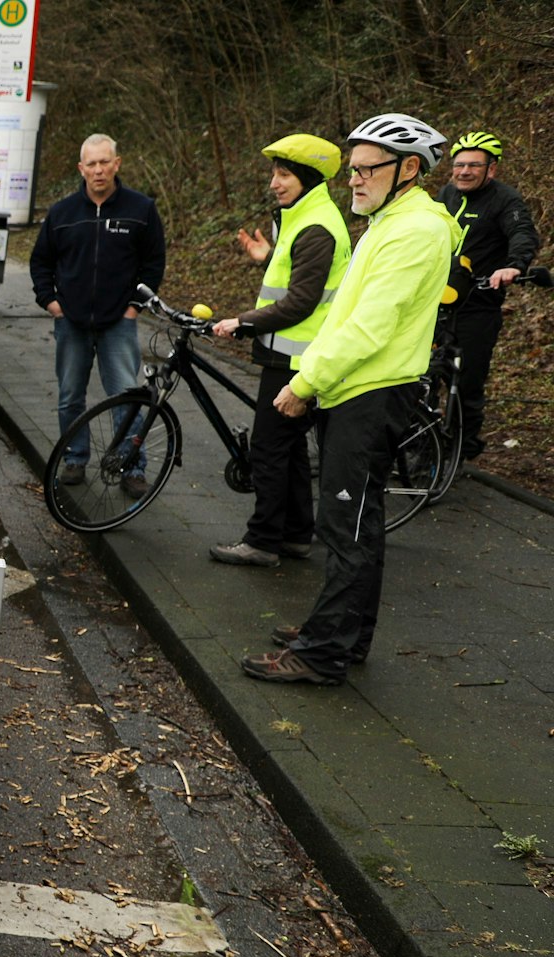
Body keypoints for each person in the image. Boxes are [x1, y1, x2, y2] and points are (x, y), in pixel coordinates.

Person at [242, 113, 455, 686]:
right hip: (359, 387)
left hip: (371, 391)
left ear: (408, 169)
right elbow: (348, 312)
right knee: (359, 520)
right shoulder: (389, 222)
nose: (354, 179)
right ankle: (344, 633)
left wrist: (303, 383)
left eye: (366, 169)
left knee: (345, 526)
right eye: (353, 169)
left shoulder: (414, 231)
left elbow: (368, 326)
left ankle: (322, 653)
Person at [209, 135, 352, 567]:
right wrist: (267, 255)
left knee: (269, 449)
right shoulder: (305, 216)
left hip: (296, 359)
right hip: (290, 355)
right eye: (275, 173)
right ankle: (294, 535)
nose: (274, 183)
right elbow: (302, 274)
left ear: (307, 178)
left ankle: (262, 541)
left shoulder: (316, 226)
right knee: (288, 450)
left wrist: (243, 322)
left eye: (284, 174)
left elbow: (301, 301)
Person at [30, 134, 168, 497]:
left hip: (118, 322)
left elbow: (154, 263)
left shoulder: (140, 210)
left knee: (126, 397)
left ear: (117, 164)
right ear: (81, 169)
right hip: (71, 322)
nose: (98, 170)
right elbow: (41, 261)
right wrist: (51, 303)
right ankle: (75, 459)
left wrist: (134, 308)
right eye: (91, 164)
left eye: (105, 162)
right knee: (69, 397)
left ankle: (131, 467)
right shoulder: (62, 214)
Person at [435, 130, 541, 460]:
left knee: (467, 381)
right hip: (436, 300)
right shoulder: (446, 194)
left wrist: (513, 265)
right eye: (459, 165)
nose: (464, 172)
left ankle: (462, 449)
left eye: (474, 166)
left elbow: (522, 233)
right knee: (421, 373)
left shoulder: (505, 200)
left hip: (478, 305)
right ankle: (421, 440)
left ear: (491, 169)